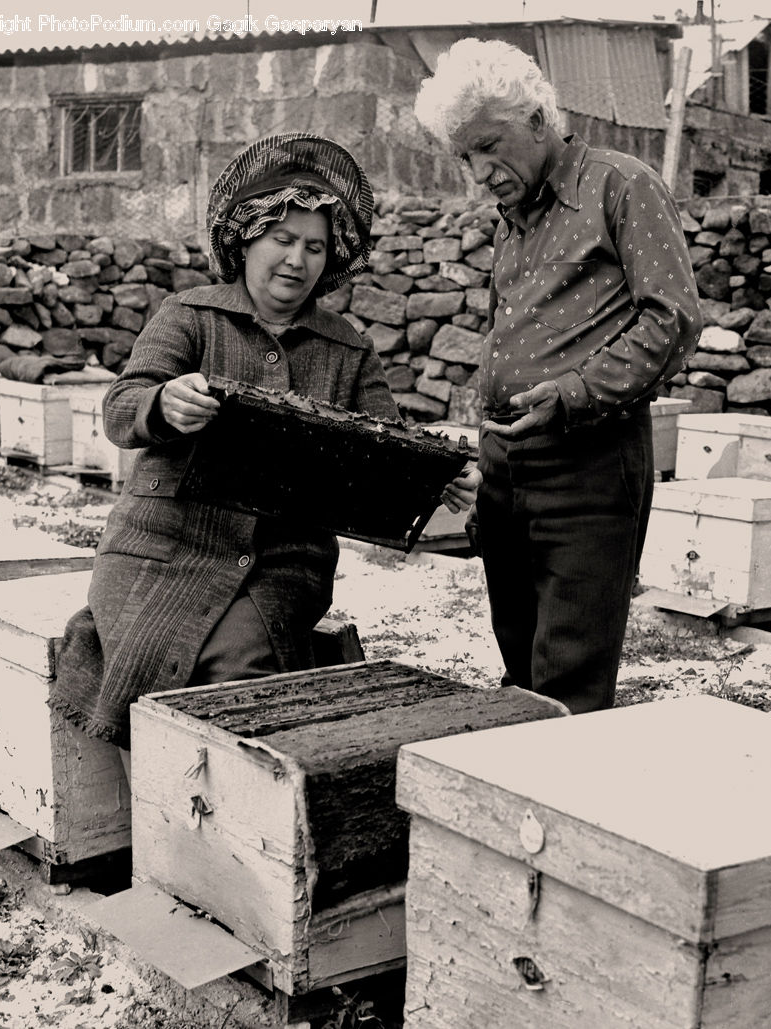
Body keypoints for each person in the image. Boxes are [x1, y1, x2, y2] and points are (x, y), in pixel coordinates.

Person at [50, 132, 480, 758]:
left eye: (313, 247)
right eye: (282, 239)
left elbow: (391, 451)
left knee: (233, 681)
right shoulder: (189, 315)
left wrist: (435, 477)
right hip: (160, 543)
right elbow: (121, 408)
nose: (296, 261)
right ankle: (155, 822)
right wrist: (163, 403)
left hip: (282, 560)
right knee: (141, 655)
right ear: (247, 237)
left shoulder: (347, 347)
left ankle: (223, 831)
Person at [414, 39, 702, 714]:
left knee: (569, 673)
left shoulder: (620, 184)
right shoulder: (514, 219)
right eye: (464, 156)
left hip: (589, 462)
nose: (479, 171)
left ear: (538, 119)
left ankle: (567, 805)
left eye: (489, 145)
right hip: (507, 463)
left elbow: (673, 317)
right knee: (519, 661)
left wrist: (574, 393)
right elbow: (513, 331)